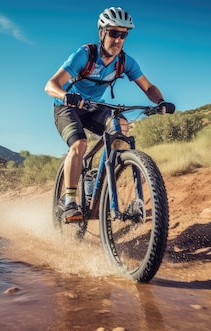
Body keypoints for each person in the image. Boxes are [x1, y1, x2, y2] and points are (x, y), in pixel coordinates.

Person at [44, 6, 176, 223]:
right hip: (67, 106)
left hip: (94, 106)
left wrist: (161, 102)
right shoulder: (85, 55)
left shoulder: (125, 62)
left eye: (123, 35)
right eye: (114, 33)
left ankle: (102, 180)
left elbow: (148, 87)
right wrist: (66, 95)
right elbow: (51, 84)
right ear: (102, 33)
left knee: (120, 128)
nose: (118, 40)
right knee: (79, 145)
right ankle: (69, 201)